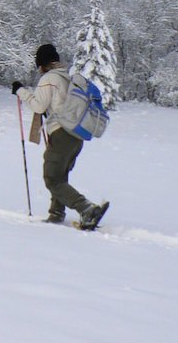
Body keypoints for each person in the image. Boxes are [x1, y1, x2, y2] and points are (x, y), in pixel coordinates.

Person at [13, 43, 109, 228]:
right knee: (60, 176)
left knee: (52, 178)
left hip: (61, 134)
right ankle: (56, 213)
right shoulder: (67, 78)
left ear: (42, 64)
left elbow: (38, 106)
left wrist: (20, 91)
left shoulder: (49, 78)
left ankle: (87, 209)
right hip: (76, 136)